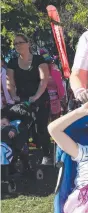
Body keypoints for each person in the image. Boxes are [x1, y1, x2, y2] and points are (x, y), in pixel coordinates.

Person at [6, 33, 52, 165]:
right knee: (20, 127)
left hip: (40, 98)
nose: (17, 45)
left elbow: (44, 81)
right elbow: (11, 83)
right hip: (22, 99)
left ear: (28, 44)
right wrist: (14, 96)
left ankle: (46, 154)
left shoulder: (39, 60)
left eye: (20, 42)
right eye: (15, 43)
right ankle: (22, 157)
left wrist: (36, 97)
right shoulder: (12, 62)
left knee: (40, 128)